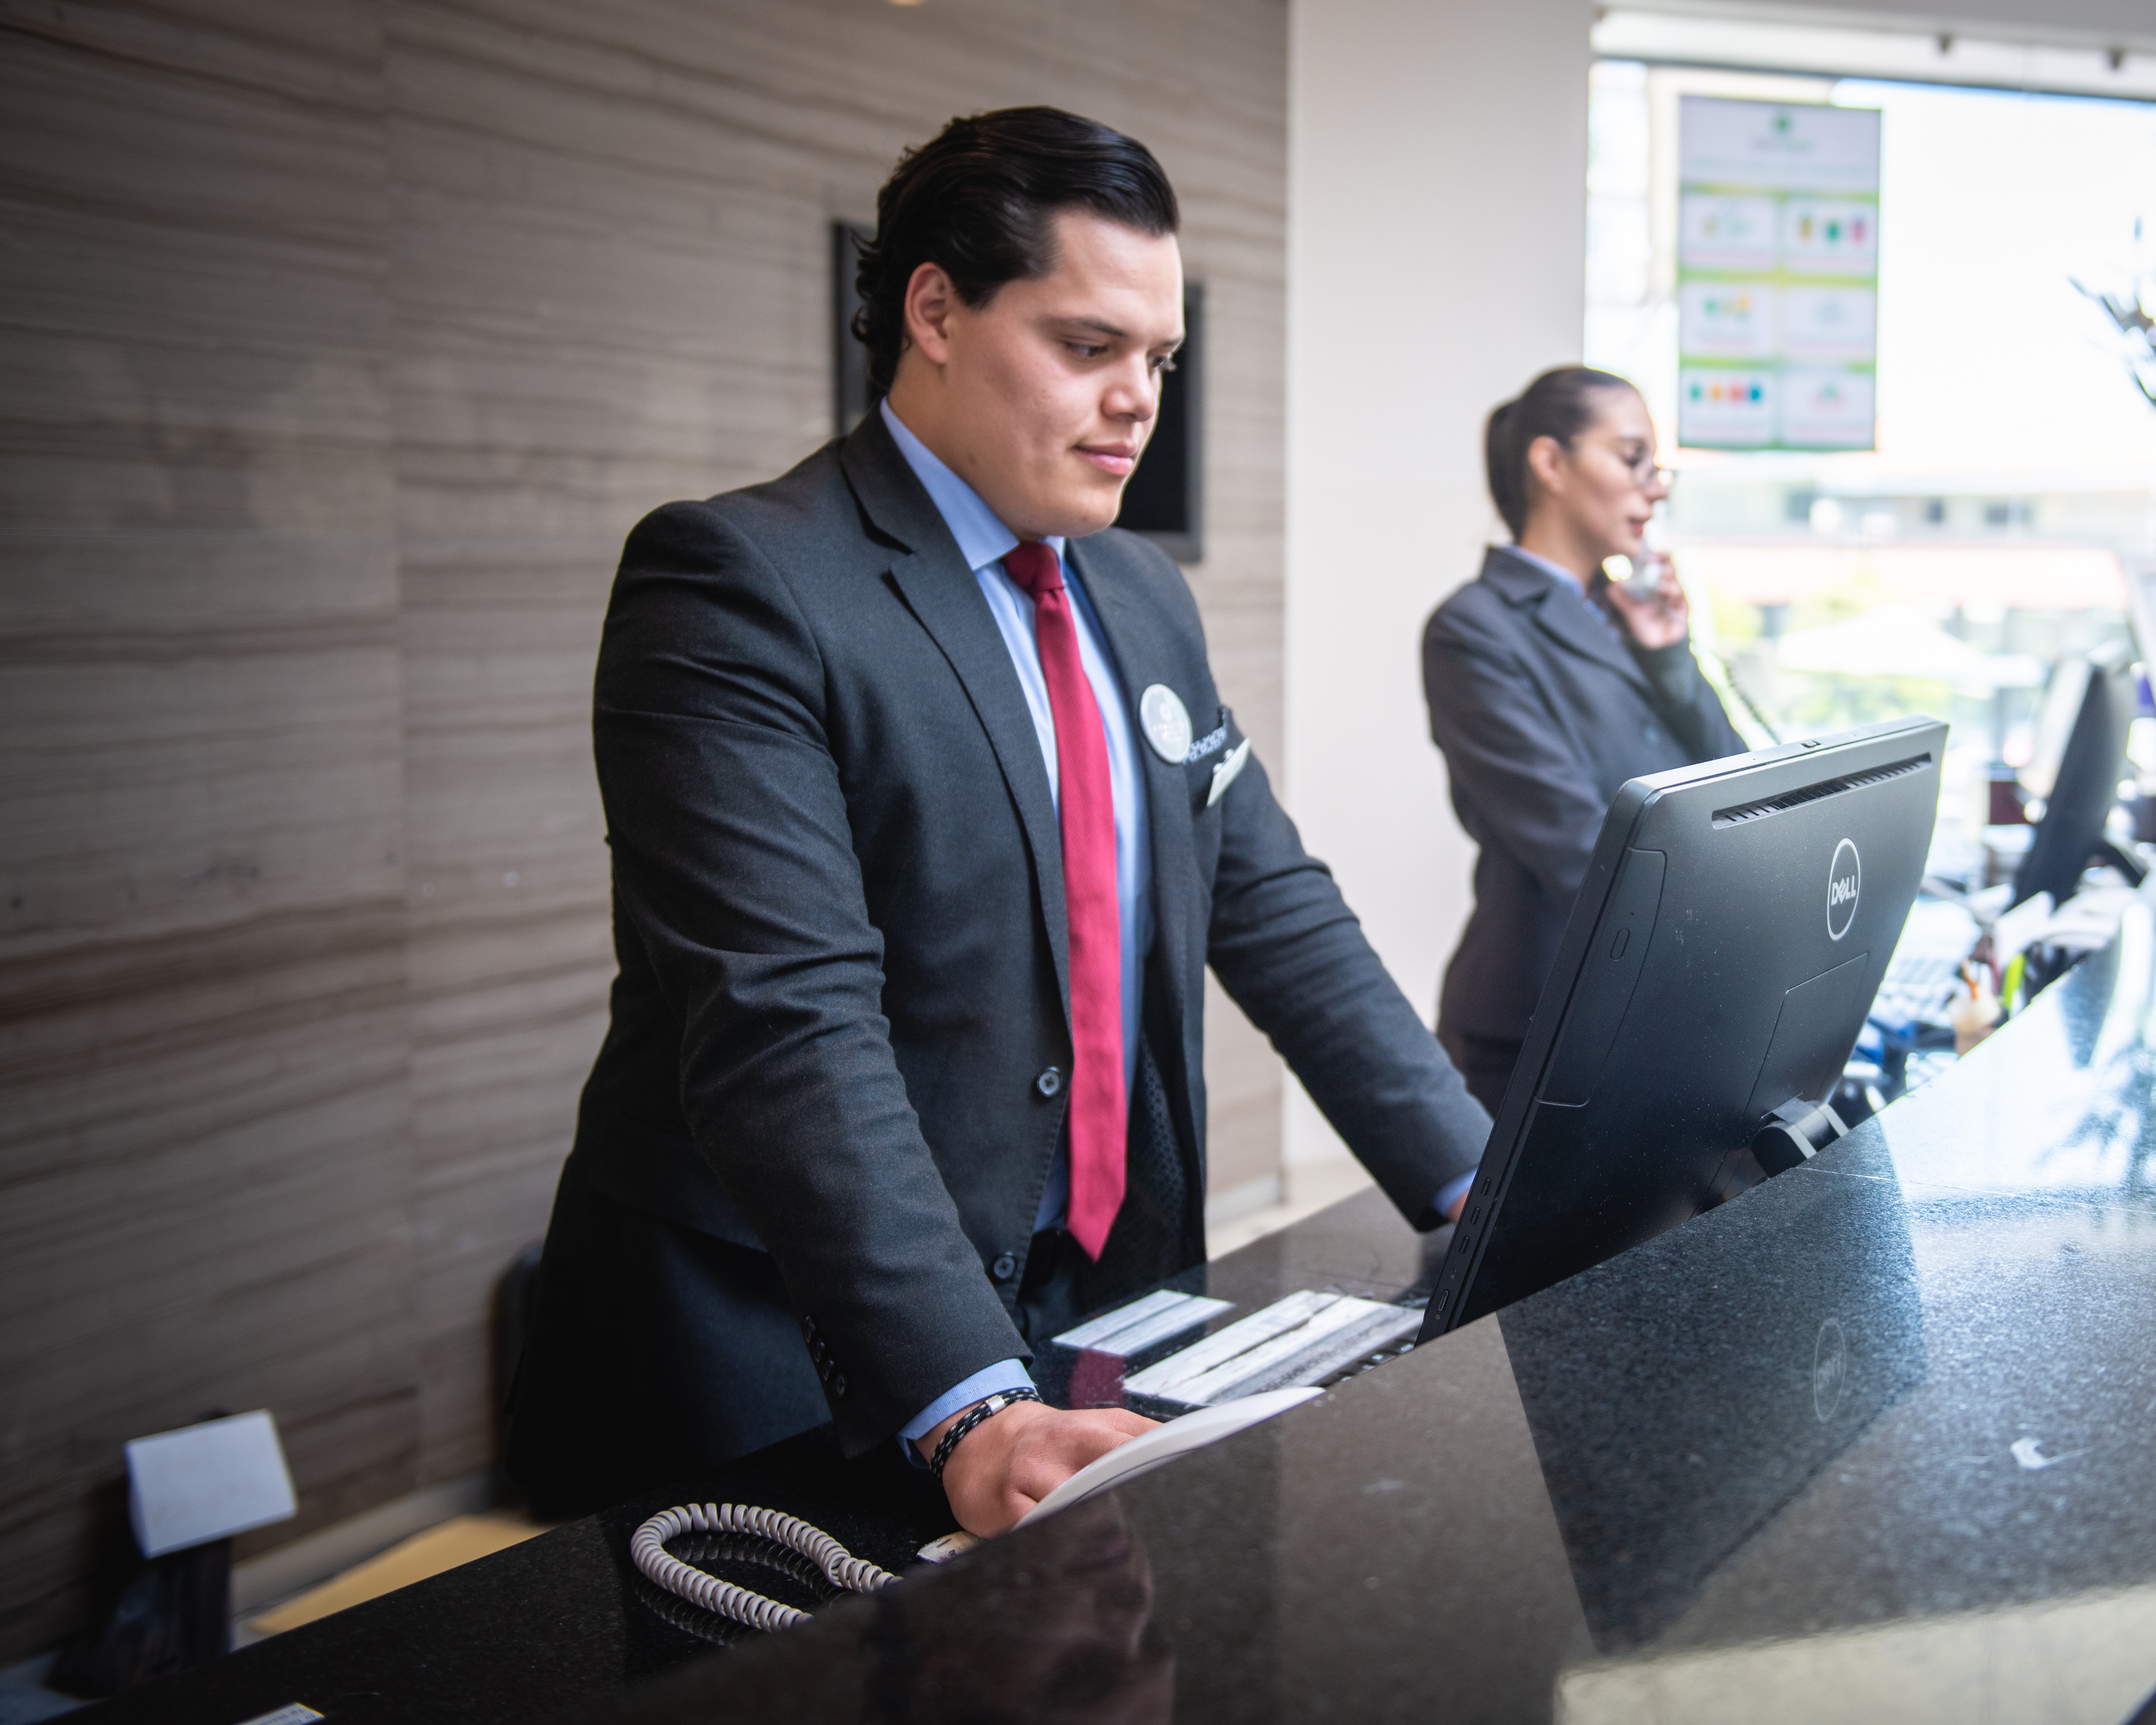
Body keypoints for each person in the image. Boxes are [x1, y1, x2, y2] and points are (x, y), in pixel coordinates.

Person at [506, 108, 1487, 1532]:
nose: (1137, 399)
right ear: (936, 311)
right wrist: (964, 1392)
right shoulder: (737, 585)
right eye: (1086, 347)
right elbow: (786, 1021)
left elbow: (1272, 904)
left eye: (1156, 359)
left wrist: (1479, 1183)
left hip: (1079, 1307)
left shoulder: (1139, 594)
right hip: (781, 1343)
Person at [1420, 368, 1746, 1115]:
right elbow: (1578, 843)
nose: (1653, 488)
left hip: (1654, 1013)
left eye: (1656, 468)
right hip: (1547, 1026)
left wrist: (1671, 659)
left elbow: (1738, 781)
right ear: (1551, 464)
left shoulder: (1628, 615)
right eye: (1632, 459)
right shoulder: (1475, 628)